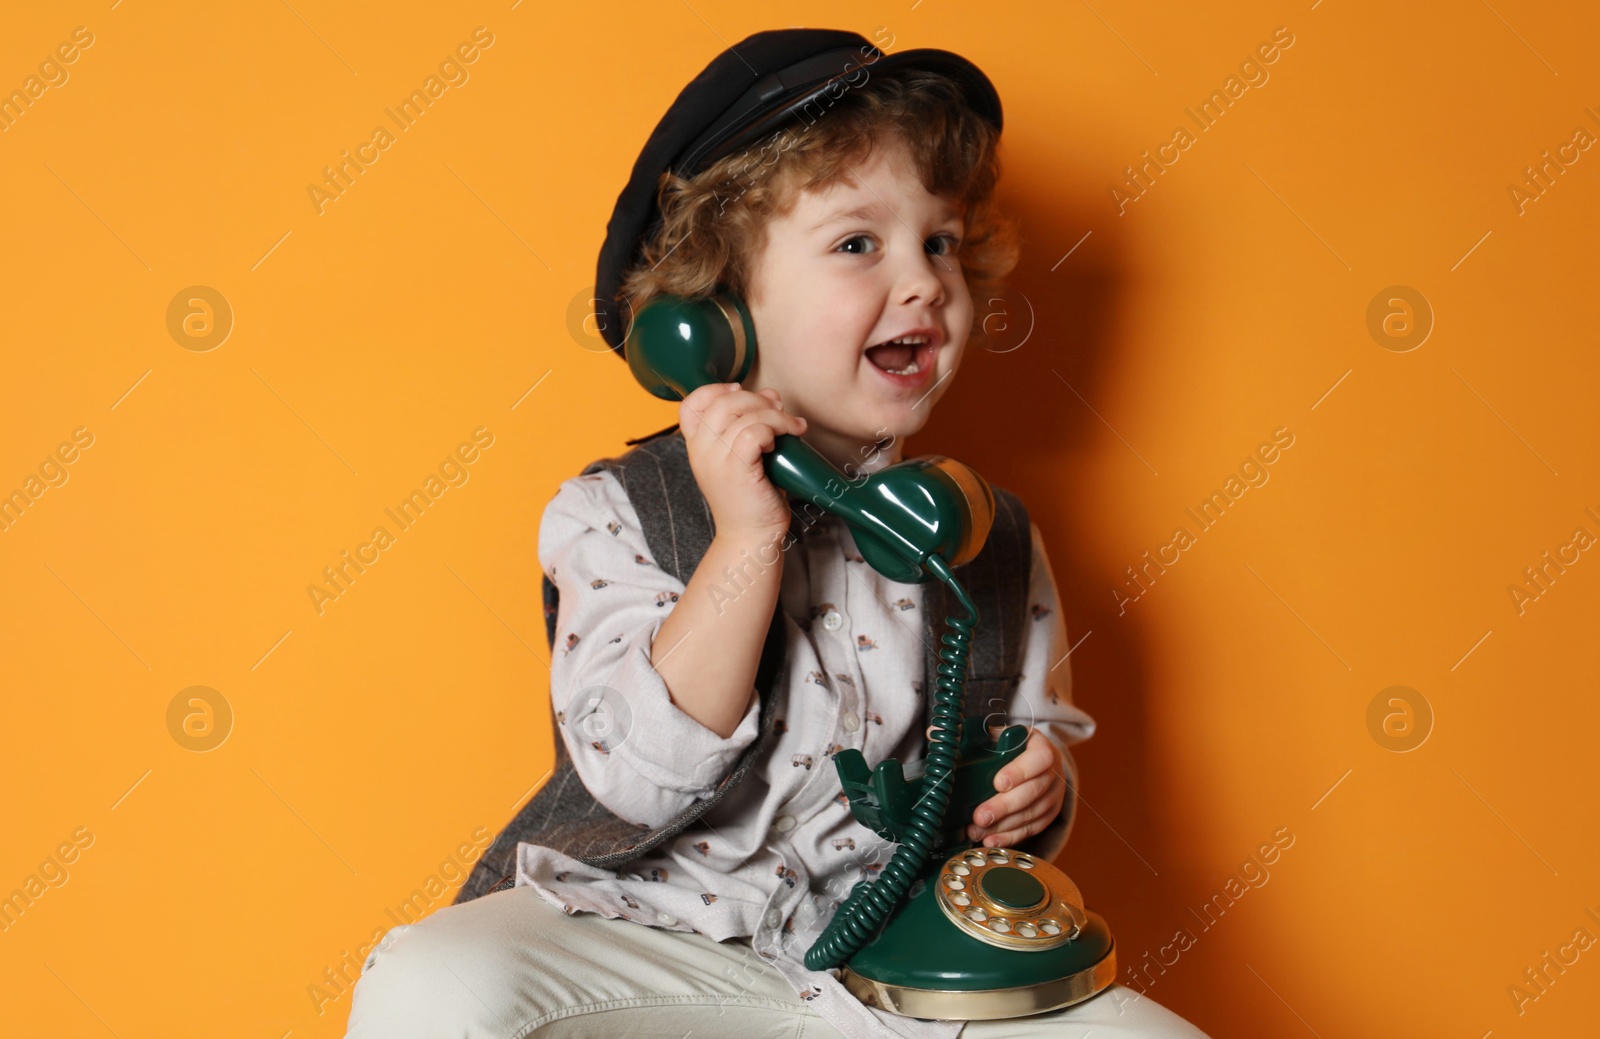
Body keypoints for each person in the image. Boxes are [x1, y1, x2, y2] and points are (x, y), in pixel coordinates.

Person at [344, 27, 1212, 1039]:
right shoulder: (615, 512)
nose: (924, 280)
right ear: (716, 310)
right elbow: (630, 776)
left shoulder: (986, 534)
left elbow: (1026, 737)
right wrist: (745, 538)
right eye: (857, 243)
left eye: (938, 241)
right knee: (433, 984)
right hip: (659, 949)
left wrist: (1033, 786)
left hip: (890, 971)